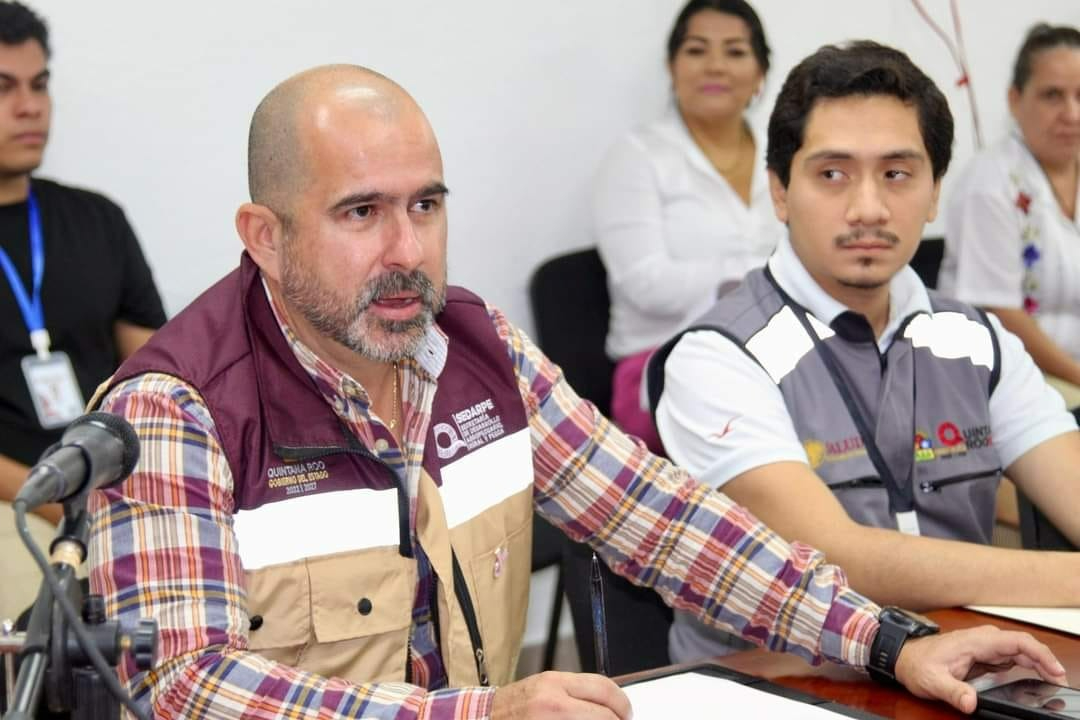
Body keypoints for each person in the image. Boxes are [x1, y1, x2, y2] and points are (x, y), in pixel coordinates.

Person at [87, 63, 1065, 720]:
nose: (406, 251)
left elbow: (664, 521)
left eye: (426, 205)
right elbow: (184, 683)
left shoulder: (473, 347)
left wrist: (888, 644)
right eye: (360, 213)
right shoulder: (174, 410)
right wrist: (483, 714)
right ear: (264, 235)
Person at [649, 40, 1080, 666]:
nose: (869, 208)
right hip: (783, 685)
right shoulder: (716, 357)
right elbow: (834, 558)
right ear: (779, 191)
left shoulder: (975, 339)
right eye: (832, 174)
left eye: (898, 174)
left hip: (973, 670)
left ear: (934, 194)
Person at [0, 1, 166, 527]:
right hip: (15, 510)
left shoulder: (98, 220)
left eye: (39, 84)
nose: (31, 107)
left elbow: (156, 384)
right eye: (4, 87)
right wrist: (61, 509)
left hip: (116, 494)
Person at [592, 0, 782, 451]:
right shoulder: (636, 157)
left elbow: (816, 263)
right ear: (672, 66)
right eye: (697, 50)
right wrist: (766, 280)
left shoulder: (788, 156)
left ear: (760, 73)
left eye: (735, 52)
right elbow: (646, 283)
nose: (715, 65)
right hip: (664, 361)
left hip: (775, 355)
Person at [938, 24, 1080, 408]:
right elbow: (1001, 314)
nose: (1071, 113)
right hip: (1005, 382)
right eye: (1053, 95)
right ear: (1015, 100)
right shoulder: (990, 183)